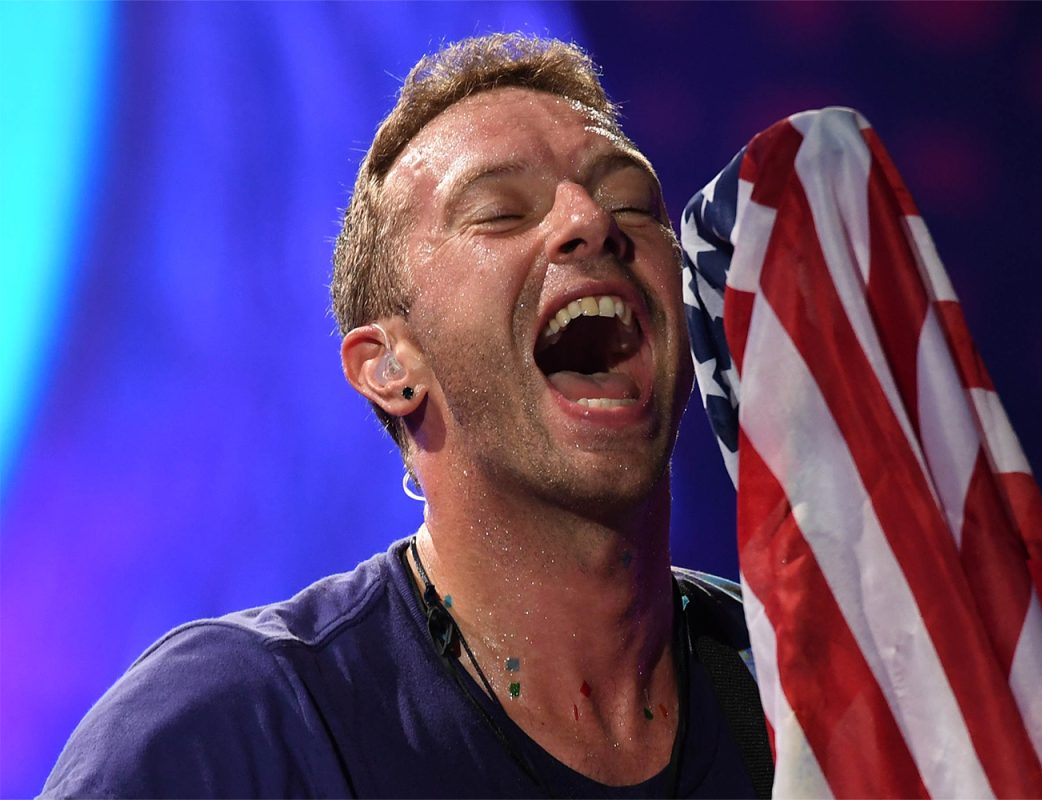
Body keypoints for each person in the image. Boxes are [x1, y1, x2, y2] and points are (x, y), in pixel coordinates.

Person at [41, 33, 769, 798]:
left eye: (630, 201)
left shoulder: (813, 688)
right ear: (390, 370)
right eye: (499, 211)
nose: (590, 219)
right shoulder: (232, 731)